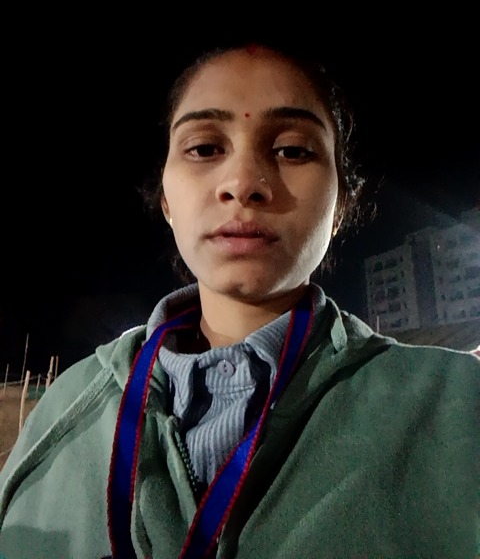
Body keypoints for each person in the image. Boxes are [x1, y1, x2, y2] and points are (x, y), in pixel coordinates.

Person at [0, 39, 478, 559]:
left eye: (292, 150)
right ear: (166, 199)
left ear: (341, 203)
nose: (244, 183)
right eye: (205, 148)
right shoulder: (63, 408)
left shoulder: (459, 406)